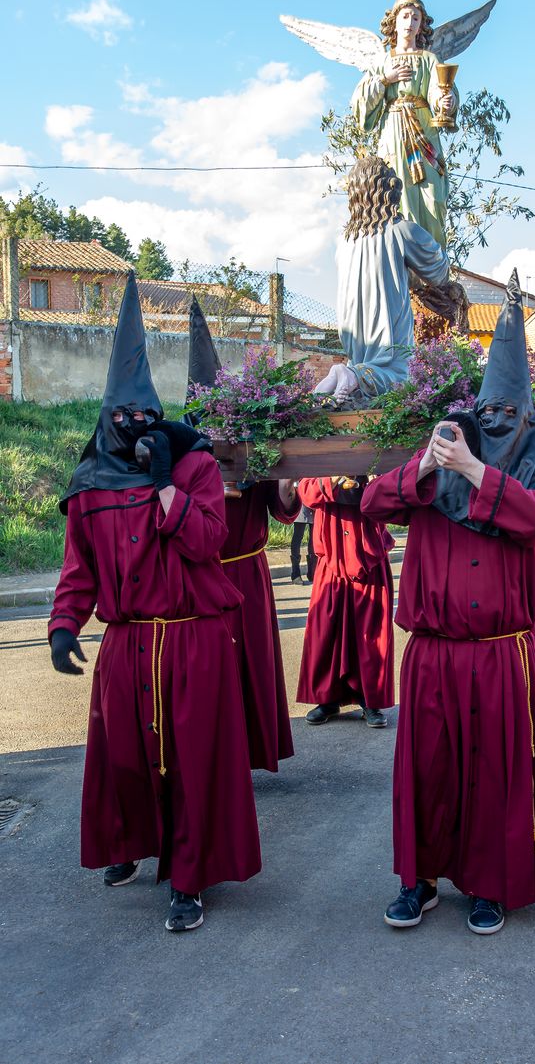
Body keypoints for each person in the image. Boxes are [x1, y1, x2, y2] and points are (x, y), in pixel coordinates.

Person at [362, 270, 535, 936]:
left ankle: (489, 884)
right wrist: (428, 464)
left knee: (493, 773)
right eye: (488, 412)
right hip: (432, 652)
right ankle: (419, 880)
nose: (496, 422)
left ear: (527, 418)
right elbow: (372, 504)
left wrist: (477, 472)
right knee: (427, 771)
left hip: (501, 655)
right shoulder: (440, 458)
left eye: (509, 413)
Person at [49, 274, 260, 933]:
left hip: (194, 639)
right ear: (107, 416)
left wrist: (166, 483)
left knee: (193, 763)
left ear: (158, 413)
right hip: (128, 643)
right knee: (126, 758)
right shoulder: (90, 485)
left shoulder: (194, 466)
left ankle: (190, 879)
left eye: (145, 413)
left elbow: (208, 540)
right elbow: (78, 569)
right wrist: (62, 626)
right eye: (123, 415)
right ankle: (132, 842)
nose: (135, 424)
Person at [185, 295, 299, 773]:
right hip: (201, 577)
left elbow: (282, 510)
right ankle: (213, 761)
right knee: (210, 672)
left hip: (248, 575)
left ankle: (250, 753)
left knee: (250, 664)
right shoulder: (179, 459)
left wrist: (287, 483)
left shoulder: (254, 450)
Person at [314, 155, 449, 401]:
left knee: (365, 379)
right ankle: (350, 374)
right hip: (387, 322)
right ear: (389, 189)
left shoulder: (344, 241)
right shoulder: (402, 230)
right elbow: (439, 273)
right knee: (398, 374)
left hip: (354, 332)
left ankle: (339, 377)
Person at [351, 0, 458, 248]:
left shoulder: (429, 59)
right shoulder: (382, 61)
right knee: (397, 195)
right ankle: (402, 261)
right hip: (394, 134)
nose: (410, 22)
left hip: (424, 134)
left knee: (433, 197)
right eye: (405, 17)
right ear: (395, 22)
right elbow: (359, 104)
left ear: (421, 25)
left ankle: (433, 264)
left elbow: (439, 90)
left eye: (416, 18)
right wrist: (384, 79)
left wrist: (445, 101)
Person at [296, 475, 395, 728]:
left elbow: (393, 497)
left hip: (368, 552)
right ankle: (328, 698)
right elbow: (306, 492)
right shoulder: (318, 451)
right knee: (326, 629)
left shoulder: (377, 451)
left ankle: (370, 699)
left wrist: (376, 481)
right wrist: (334, 476)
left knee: (370, 632)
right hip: (331, 554)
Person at [290, 499, 317, 584]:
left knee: (314, 538)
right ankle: (295, 573)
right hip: (301, 504)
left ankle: (312, 572)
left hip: (315, 504)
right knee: (298, 537)